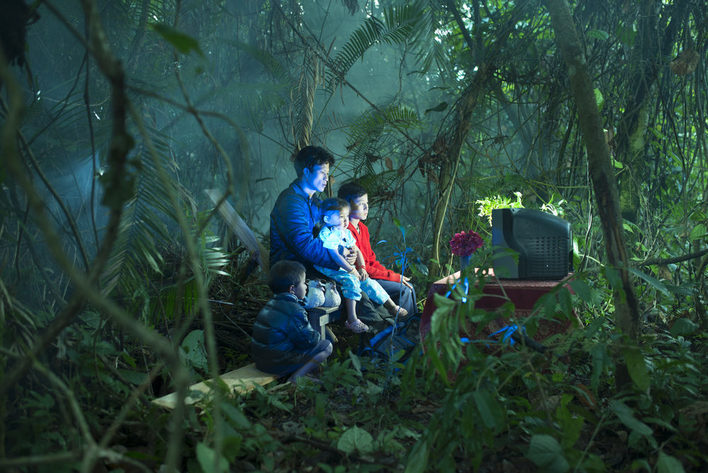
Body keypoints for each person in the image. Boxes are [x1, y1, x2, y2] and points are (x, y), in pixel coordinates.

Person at [269, 145, 390, 328]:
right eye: (322, 173)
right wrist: (340, 257)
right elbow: (304, 245)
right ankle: (380, 335)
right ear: (306, 172)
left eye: (328, 173)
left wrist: (348, 251)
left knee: (360, 283)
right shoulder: (291, 203)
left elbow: (334, 233)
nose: (327, 178)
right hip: (292, 269)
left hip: (312, 264)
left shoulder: (314, 202)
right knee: (351, 284)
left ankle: (386, 328)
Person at [313, 198, 408, 333]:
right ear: (327, 219)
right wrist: (352, 270)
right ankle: (352, 319)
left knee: (368, 281)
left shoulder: (345, 232)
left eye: (347, 216)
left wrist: (362, 268)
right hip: (330, 268)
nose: (346, 220)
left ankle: (392, 306)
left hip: (345, 267)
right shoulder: (326, 233)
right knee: (351, 281)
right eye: (341, 217)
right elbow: (335, 256)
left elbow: (357, 251)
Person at [338, 182, 418, 317]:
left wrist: (392, 275)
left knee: (409, 288)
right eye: (361, 203)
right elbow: (362, 268)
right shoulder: (344, 232)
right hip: (362, 280)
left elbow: (371, 261)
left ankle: (411, 328)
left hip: (372, 276)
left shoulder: (363, 228)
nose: (366, 207)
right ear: (347, 205)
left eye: (367, 203)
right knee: (405, 290)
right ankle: (403, 331)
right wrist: (394, 277)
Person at [251, 260, 333, 382]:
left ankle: (297, 373)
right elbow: (308, 341)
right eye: (304, 283)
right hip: (277, 364)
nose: (306, 286)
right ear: (292, 289)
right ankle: (296, 377)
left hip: (260, 361)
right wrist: (316, 334)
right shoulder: (295, 310)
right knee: (326, 346)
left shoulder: (270, 304)